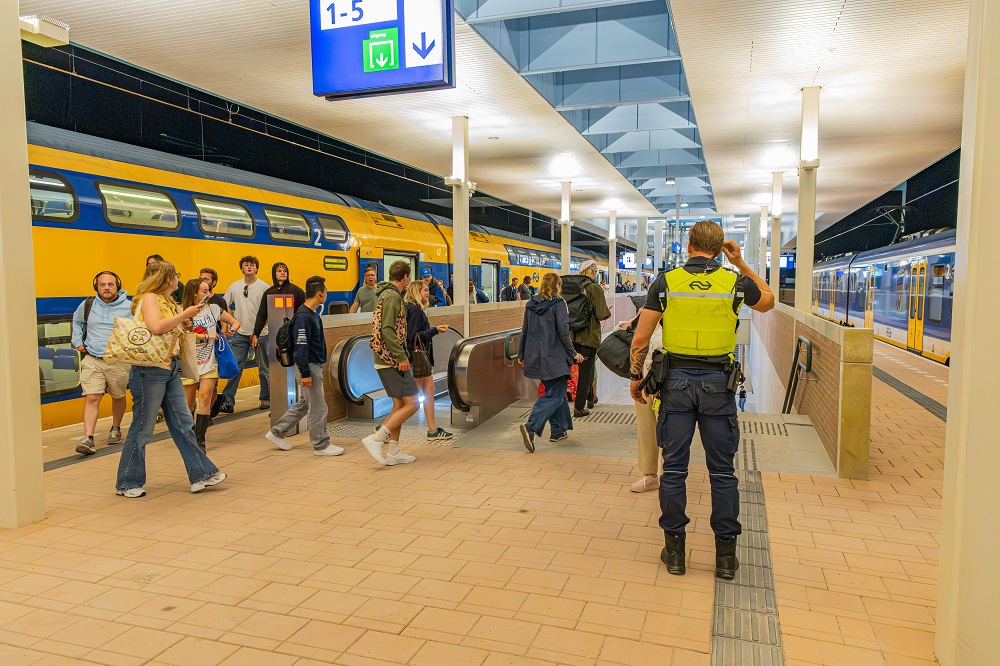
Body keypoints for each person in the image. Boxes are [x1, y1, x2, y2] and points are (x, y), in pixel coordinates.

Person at [629, 220, 774, 580]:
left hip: (675, 385)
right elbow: (769, 301)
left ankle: (675, 552)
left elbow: (641, 338)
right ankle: (725, 558)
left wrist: (636, 377)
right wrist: (740, 263)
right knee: (723, 473)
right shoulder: (734, 282)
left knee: (674, 471)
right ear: (720, 247)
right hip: (718, 387)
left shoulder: (666, 282)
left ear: (689, 244)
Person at [115, 261, 227, 498]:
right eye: (175, 276)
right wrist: (185, 314)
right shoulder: (149, 298)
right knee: (143, 427)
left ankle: (201, 475)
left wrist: (185, 322)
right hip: (149, 370)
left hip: (170, 367)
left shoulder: (167, 301)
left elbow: (171, 328)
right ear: (165, 279)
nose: (178, 280)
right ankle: (127, 481)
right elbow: (156, 327)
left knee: (183, 423)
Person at [263, 277, 343, 456]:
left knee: (305, 404)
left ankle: (276, 432)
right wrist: (306, 373)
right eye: (326, 291)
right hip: (309, 366)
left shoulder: (312, 313)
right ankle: (320, 445)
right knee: (318, 407)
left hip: (311, 365)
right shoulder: (304, 317)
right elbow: (300, 348)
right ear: (319, 293)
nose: (326, 294)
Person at [360, 260, 420, 466]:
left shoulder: (383, 294)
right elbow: (387, 330)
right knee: (413, 403)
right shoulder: (393, 296)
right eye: (408, 277)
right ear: (405, 277)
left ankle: (394, 451)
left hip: (384, 358)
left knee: (399, 404)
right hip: (391, 359)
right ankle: (377, 438)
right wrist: (401, 356)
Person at [517, 273, 583, 452]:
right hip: (554, 357)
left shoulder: (531, 303)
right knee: (555, 394)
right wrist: (574, 353)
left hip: (535, 356)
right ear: (558, 286)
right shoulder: (559, 304)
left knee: (556, 392)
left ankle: (558, 431)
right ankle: (531, 426)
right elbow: (563, 333)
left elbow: (525, 331)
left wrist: (522, 353)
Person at [71, 271, 133, 454]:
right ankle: (88, 438)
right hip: (93, 359)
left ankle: (116, 428)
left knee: (118, 396)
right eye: (102, 285)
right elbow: (77, 321)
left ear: (118, 286)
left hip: (119, 360)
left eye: (110, 284)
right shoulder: (88, 304)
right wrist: (77, 342)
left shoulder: (130, 307)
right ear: (96, 286)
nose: (106, 288)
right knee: (92, 396)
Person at [180, 279, 240, 450]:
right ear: (194, 294)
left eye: (209, 290)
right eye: (204, 291)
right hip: (189, 362)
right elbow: (182, 335)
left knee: (205, 397)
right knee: (188, 403)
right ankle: (189, 435)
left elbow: (235, 322)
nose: (208, 294)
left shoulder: (214, 309)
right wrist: (206, 336)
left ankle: (200, 439)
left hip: (209, 361)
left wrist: (231, 331)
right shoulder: (183, 312)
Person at [214, 256, 270, 415]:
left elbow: (268, 310)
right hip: (240, 333)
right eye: (246, 265)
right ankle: (228, 402)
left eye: (252, 265)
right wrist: (230, 323)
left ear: (256, 268)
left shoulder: (264, 287)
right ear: (242, 268)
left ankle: (266, 398)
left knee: (263, 368)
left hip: (260, 334)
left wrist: (260, 328)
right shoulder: (235, 286)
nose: (250, 267)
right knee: (235, 367)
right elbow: (223, 306)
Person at [403, 281, 454, 442]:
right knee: (411, 399)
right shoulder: (415, 310)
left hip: (422, 359)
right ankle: (387, 427)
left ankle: (432, 430)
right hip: (418, 358)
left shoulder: (414, 309)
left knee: (429, 391)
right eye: (425, 290)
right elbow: (413, 336)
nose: (428, 293)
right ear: (416, 292)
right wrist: (435, 330)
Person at [252, 262, 305, 411]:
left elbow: (305, 310)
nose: (282, 273)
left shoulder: (296, 291)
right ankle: (279, 404)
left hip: (294, 336)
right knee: (276, 368)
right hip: (276, 337)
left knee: (294, 368)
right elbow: (262, 315)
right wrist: (255, 334)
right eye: (279, 270)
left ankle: (297, 402)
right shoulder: (269, 292)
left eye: (284, 270)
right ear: (274, 273)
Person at [567, 259, 611, 418]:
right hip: (588, 336)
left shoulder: (573, 288)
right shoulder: (594, 288)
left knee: (571, 369)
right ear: (592, 272)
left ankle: (589, 397)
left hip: (571, 336)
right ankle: (579, 407)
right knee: (586, 371)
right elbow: (602, 313)